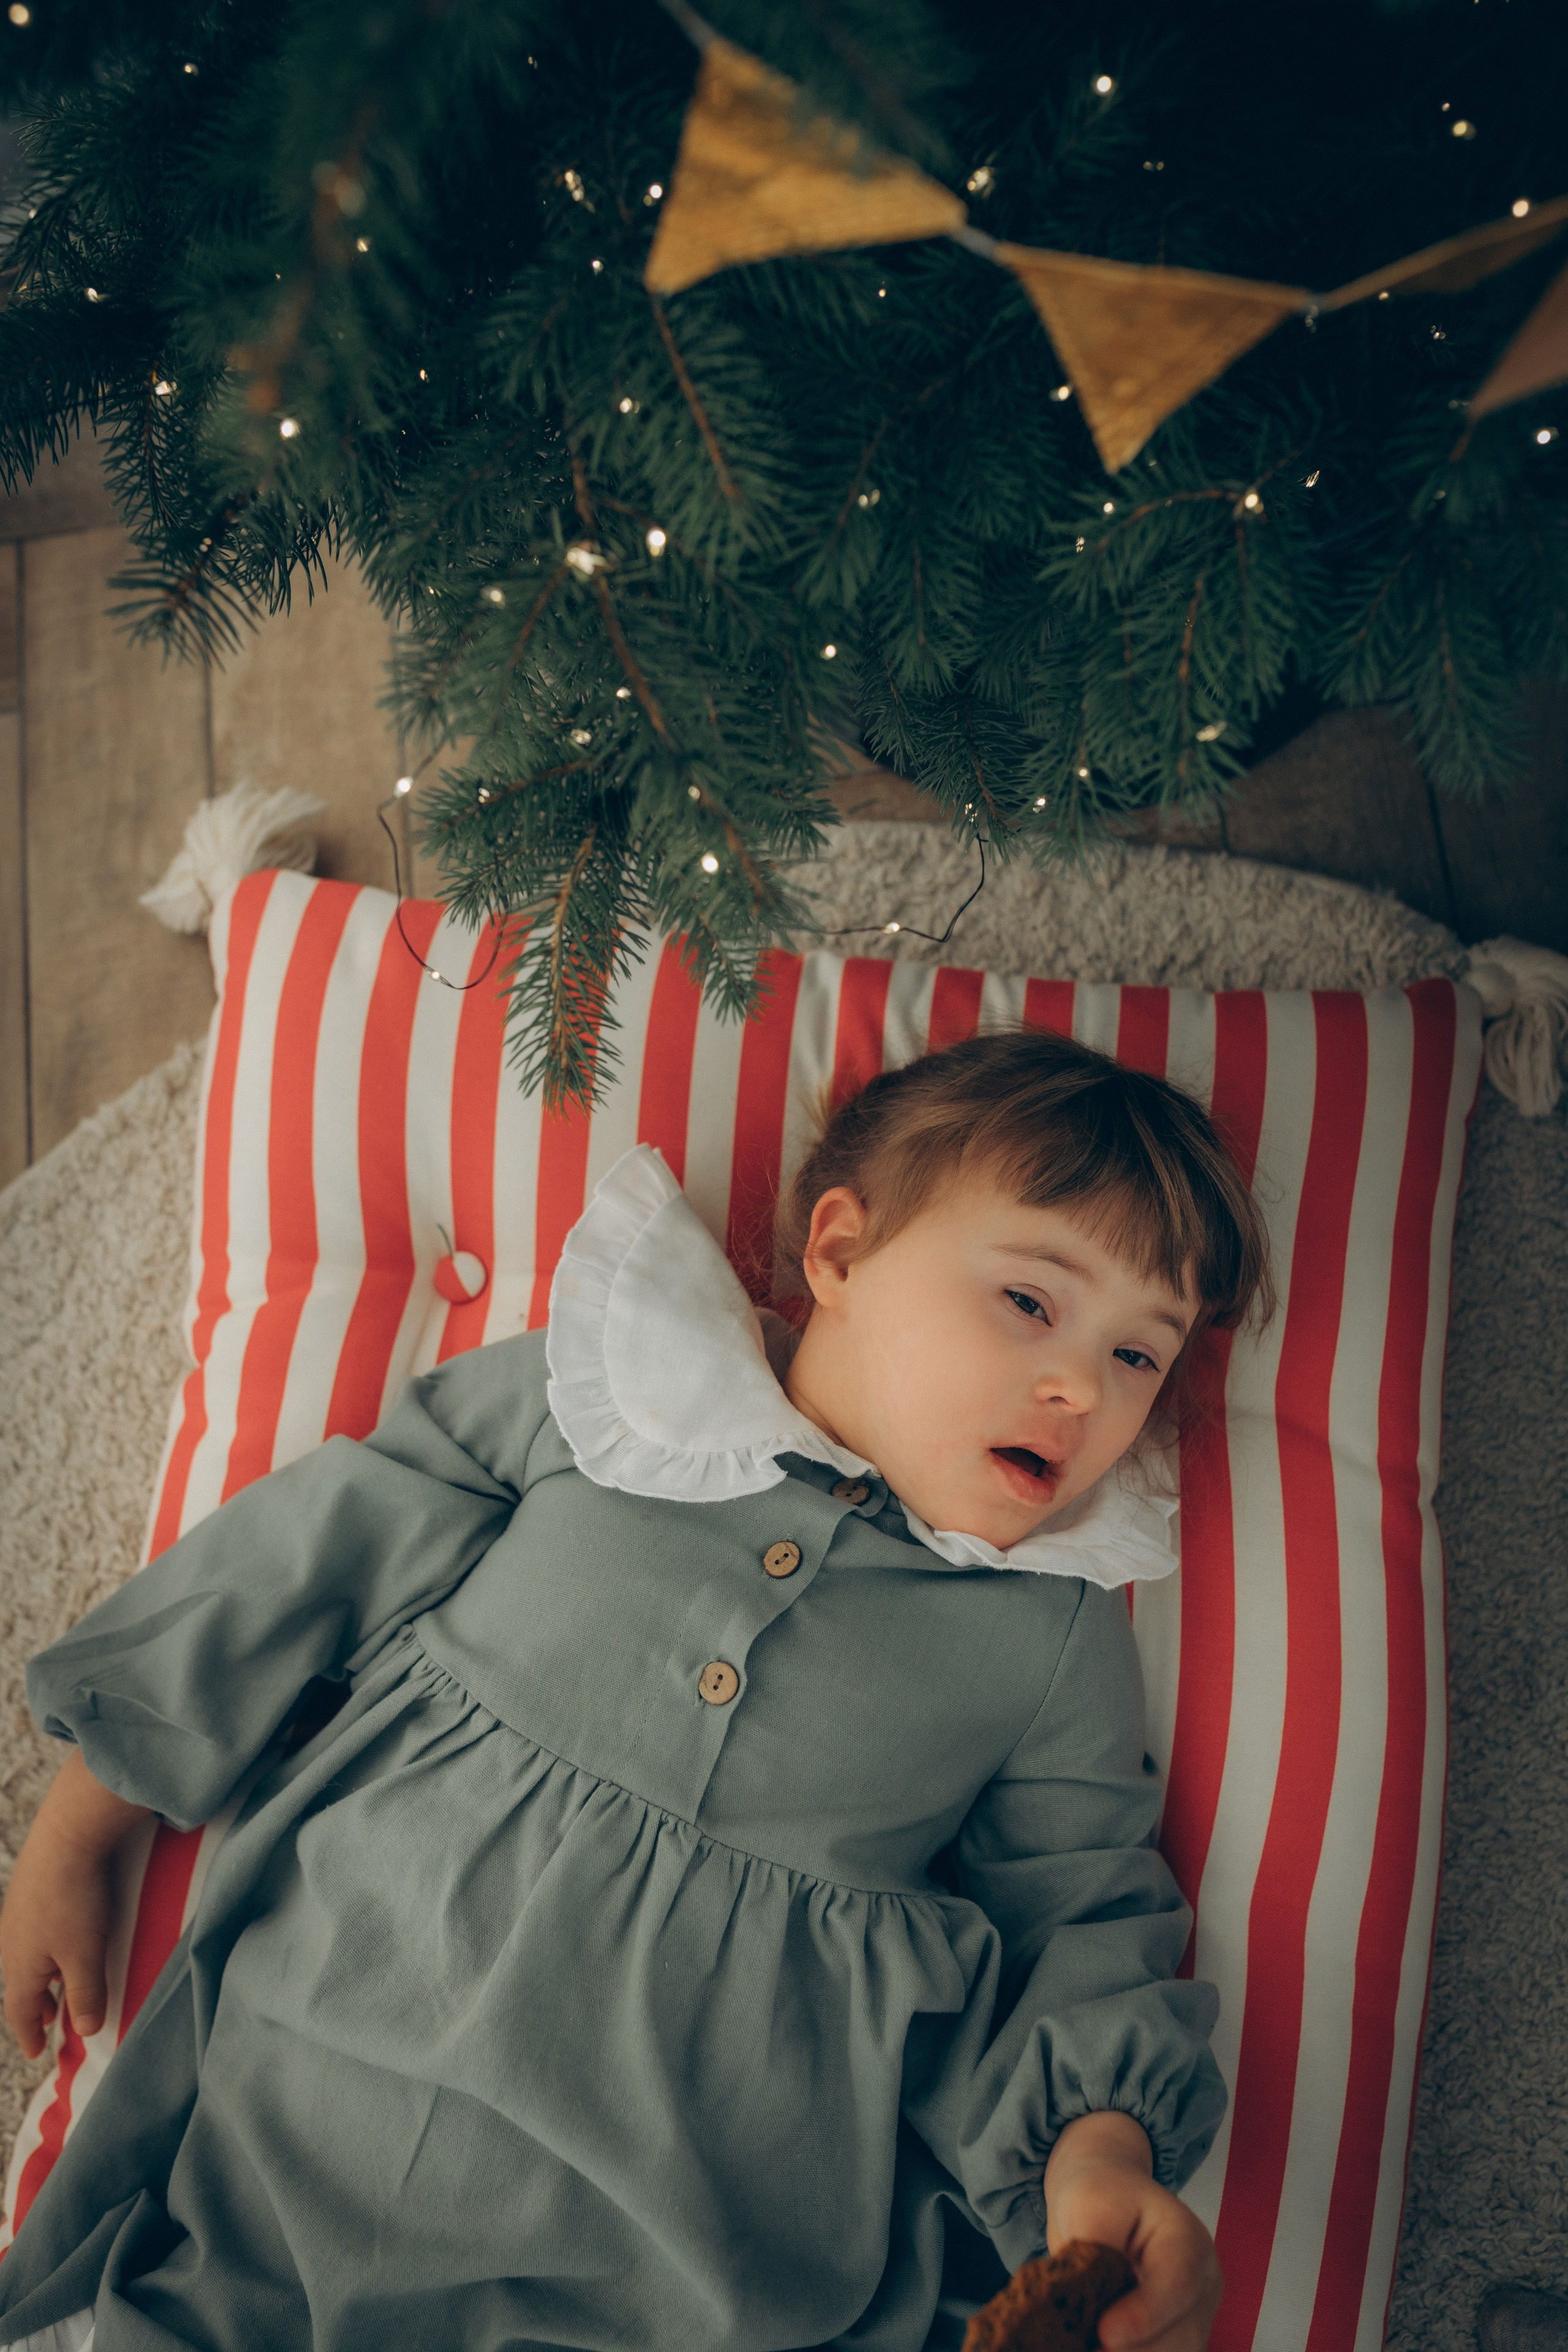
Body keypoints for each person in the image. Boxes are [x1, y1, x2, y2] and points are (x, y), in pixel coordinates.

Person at [0, 1027, 1273, 2352]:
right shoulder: (606, 1400)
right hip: (335, 2069)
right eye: (1029, 1301)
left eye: (1141, 1357)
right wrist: (86, 1818)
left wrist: (1099, 2163)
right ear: (839, 1251)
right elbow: (303, 1560)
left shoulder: (1048, 1637)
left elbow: (1081, 1909)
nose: (1080, 1389)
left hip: (687, 2226)